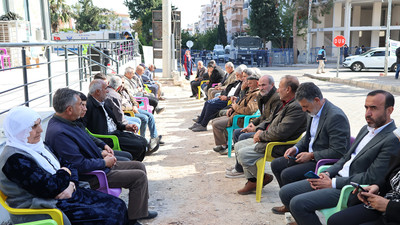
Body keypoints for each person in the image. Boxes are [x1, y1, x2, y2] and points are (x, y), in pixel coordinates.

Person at [278, 90, 400, 225]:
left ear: (389, 110)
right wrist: (327, 173)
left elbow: (372, 177)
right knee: (285, 192)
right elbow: (345, 158)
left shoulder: (392, 139)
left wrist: (332, 183)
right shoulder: (366, 128)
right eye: (366, 107)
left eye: (374, 108)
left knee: (298, 204)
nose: (367, 113)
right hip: (335, 178)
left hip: (349, 189)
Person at [45, 88, 157, 225]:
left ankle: (139, 211)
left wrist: (102, 150)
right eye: (80, 104)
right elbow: (78, 165)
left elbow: (87, 140)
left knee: (139, 166)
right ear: (69, 109)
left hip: (98, 163)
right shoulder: (60, 133)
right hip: (92, 175)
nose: (83, 107)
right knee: (138, 177)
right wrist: (104, 163)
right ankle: (132, 221)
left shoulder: (70, 122)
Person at [0, 106, 128, 225]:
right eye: (34, 126)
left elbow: (68, 164)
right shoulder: (14, 158)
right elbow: (49, 188)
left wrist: (71, 184)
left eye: (39, 123)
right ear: (19, 130)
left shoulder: (38, 145)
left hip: (67, 193)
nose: (40, 130)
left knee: (118, 204)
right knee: (110, 217)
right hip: (43, 205)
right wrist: (65, 173)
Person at [270, 82, 351, 214]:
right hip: (310, 155)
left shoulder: (335, 117)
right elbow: (308, 137)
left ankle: (296, 207)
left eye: (305, 106)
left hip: (323, 161)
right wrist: (296, 148)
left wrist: (312, 155)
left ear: (317, 100)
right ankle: (289, 203)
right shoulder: (313, 111)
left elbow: (338, 151)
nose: (303, 110)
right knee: (277, 164)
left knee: (287, 174)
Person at [234, 75, 308, 194]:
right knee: (238, 146)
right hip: (269, 138)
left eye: (279, 87)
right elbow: (269, 119)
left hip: (278, 144)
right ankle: (254, 180)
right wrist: (259, 129)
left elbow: (281, 132)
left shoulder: (296, 107)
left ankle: (260, 179)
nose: (278, 90)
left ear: (288, 89)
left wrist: (261, 135)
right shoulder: (286, 102)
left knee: (243, 154)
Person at [327, 136, 400, 225]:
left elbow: (370, 175)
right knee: (335, 220)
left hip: (393, 210)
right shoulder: (366, 130)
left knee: (304, 203)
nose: (399, 140)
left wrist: (388, 206)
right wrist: (377, 187)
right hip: (382, 202)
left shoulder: (389, 140)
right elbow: (390, 179)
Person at [84, 79, 150, 160]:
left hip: (117, 133)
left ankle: (134, 164)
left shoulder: (102, 102)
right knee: (138, 145)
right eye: (105, 89)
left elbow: (114, 122)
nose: (107, 91)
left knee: (143, 141)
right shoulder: (88, 106)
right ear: (98, 91)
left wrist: (126, 127)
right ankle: (133, 164)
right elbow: (85, 130)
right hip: (108, 137)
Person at [105, 76, 161, 152]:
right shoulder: (113, 95)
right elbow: (119, 114)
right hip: (125, 113)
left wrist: (134, 105)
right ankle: (144, 143)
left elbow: (132, 99)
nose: (123, 85)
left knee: (148, 116)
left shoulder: (122, 90)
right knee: (141, 119)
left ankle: (151, 138)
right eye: (122, 83)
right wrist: (125, 125)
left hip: (130, 109)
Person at [211, 72, 261, 154]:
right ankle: (225, 144)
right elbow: (240, 102)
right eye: (248, 83)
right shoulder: (250, 91)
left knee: (217, 124)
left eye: (250, 83)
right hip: (236, 115)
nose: (248, 85)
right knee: (215, 121)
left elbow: (249, 110)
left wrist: (235, 107)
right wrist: (232, 108)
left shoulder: (255, 94)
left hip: (241, 118)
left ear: (257, 83)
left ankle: (225, 146)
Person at [78, 92, 134, 162]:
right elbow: (80, 157)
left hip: (98, 151)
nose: (85, 109)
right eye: (82, 105)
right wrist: (101, 155)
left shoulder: (76, 123)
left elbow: (88, 136)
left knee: (129, 155)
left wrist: (103, 145)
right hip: (94, 159)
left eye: (85, 105)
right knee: (128, 160)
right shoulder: (66, 128)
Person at [189, 67, 248, 132]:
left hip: (229, 101)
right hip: (226, 97)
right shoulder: (238, 81)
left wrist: (227, 97)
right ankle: (199, 122)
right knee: (207, 102)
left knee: (211, 105)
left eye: (240, 75)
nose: (237, 76)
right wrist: (223, 95)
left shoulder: (245, 85)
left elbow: (239, 98)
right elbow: (229, 88)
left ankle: (203, 125)